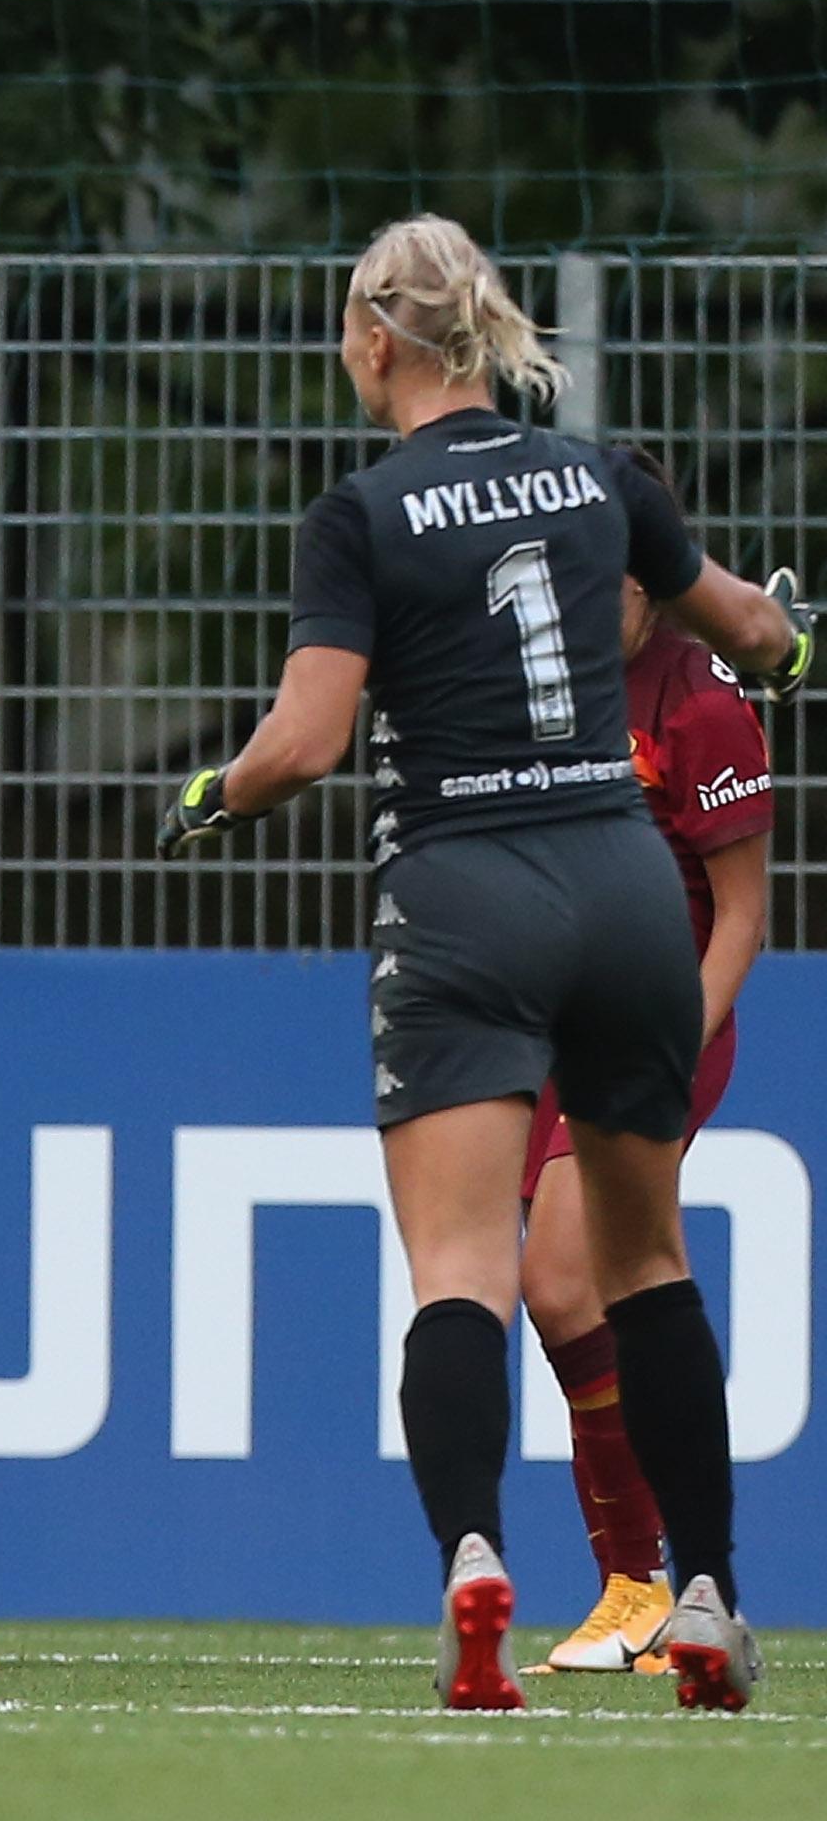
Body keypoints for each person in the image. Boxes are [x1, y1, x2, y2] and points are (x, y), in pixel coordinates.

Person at [158, 214, 812, 1712]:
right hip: (624, 882)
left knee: (463, 1272)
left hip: (463, 892)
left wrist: (212, 796)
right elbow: (755, 632)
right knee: (650, 1268)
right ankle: (704, 1597)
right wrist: (789, 658)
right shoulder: (598, 477)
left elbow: (309, 740)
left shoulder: (361, 513)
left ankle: (471, 1560)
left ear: (378, 341)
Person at [517, 454, 772, 1676]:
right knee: (566, 1297)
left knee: (565, 1284)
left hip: (658, 1031)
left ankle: (645, 1580)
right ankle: (645, 1579)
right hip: (549, 1026)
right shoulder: (541, 687)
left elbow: (740, 917)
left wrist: (678, 1043)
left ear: (649, 576)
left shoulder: (698, 697)